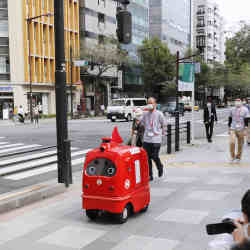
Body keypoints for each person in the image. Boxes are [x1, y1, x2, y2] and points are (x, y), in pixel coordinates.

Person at [140, 97, 165, 181]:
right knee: (147, 158)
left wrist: (162, 134)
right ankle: (150, 175)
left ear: (155, 104)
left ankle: (160, 166)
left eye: (152, 103)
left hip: (156, 139)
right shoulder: (145, 114)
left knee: (154, 156)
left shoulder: (159, 114)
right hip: (147, 139)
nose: (150, 105)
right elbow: (142, 124)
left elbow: (163, 124)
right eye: (149, 103)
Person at [228, 98, 249, 163]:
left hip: (241, 129)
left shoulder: (245, 109)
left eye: (239, 101)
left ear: (241, 102)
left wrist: (246, 129)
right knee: (232, 142)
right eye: (236, 101)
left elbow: (247, 119)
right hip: (233, 128)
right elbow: (230, 118)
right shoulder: (232, 109)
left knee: (240, 144)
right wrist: (229, 128)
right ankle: (232, 156)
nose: (237, 102)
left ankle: (238, 157)